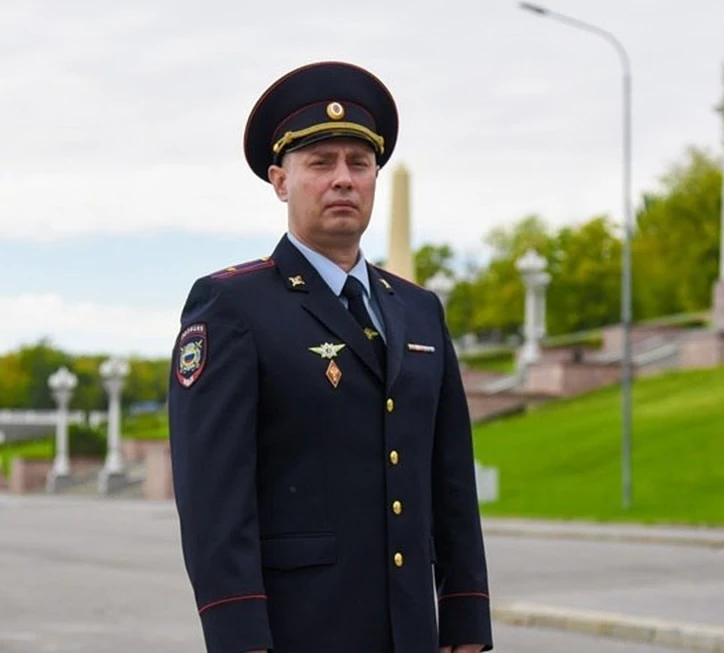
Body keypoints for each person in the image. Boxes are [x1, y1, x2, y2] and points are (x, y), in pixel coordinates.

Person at [167, 61, 493, 653]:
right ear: (280, 180)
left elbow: (450, 482)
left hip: (411, 632)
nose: (343, 179)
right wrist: (239, 638)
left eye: (359, 164)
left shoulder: (421, 312)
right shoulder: (233, 307)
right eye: (321, 163)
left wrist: (467, 620)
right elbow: (215, 499)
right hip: (298, 632)